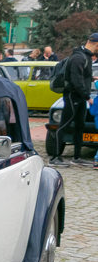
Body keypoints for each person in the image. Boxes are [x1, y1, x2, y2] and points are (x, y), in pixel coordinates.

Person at [51, 33, 98, 167]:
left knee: (79, 126)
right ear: (96, 43)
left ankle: (76, 157)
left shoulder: (86, 56)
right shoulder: (79, 57)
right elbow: (76, 80)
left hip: (80, 97)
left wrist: (92, 79)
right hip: (73, 96)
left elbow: (82, 76)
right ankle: (55, 157)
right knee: (64, 126)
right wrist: (87, 97)